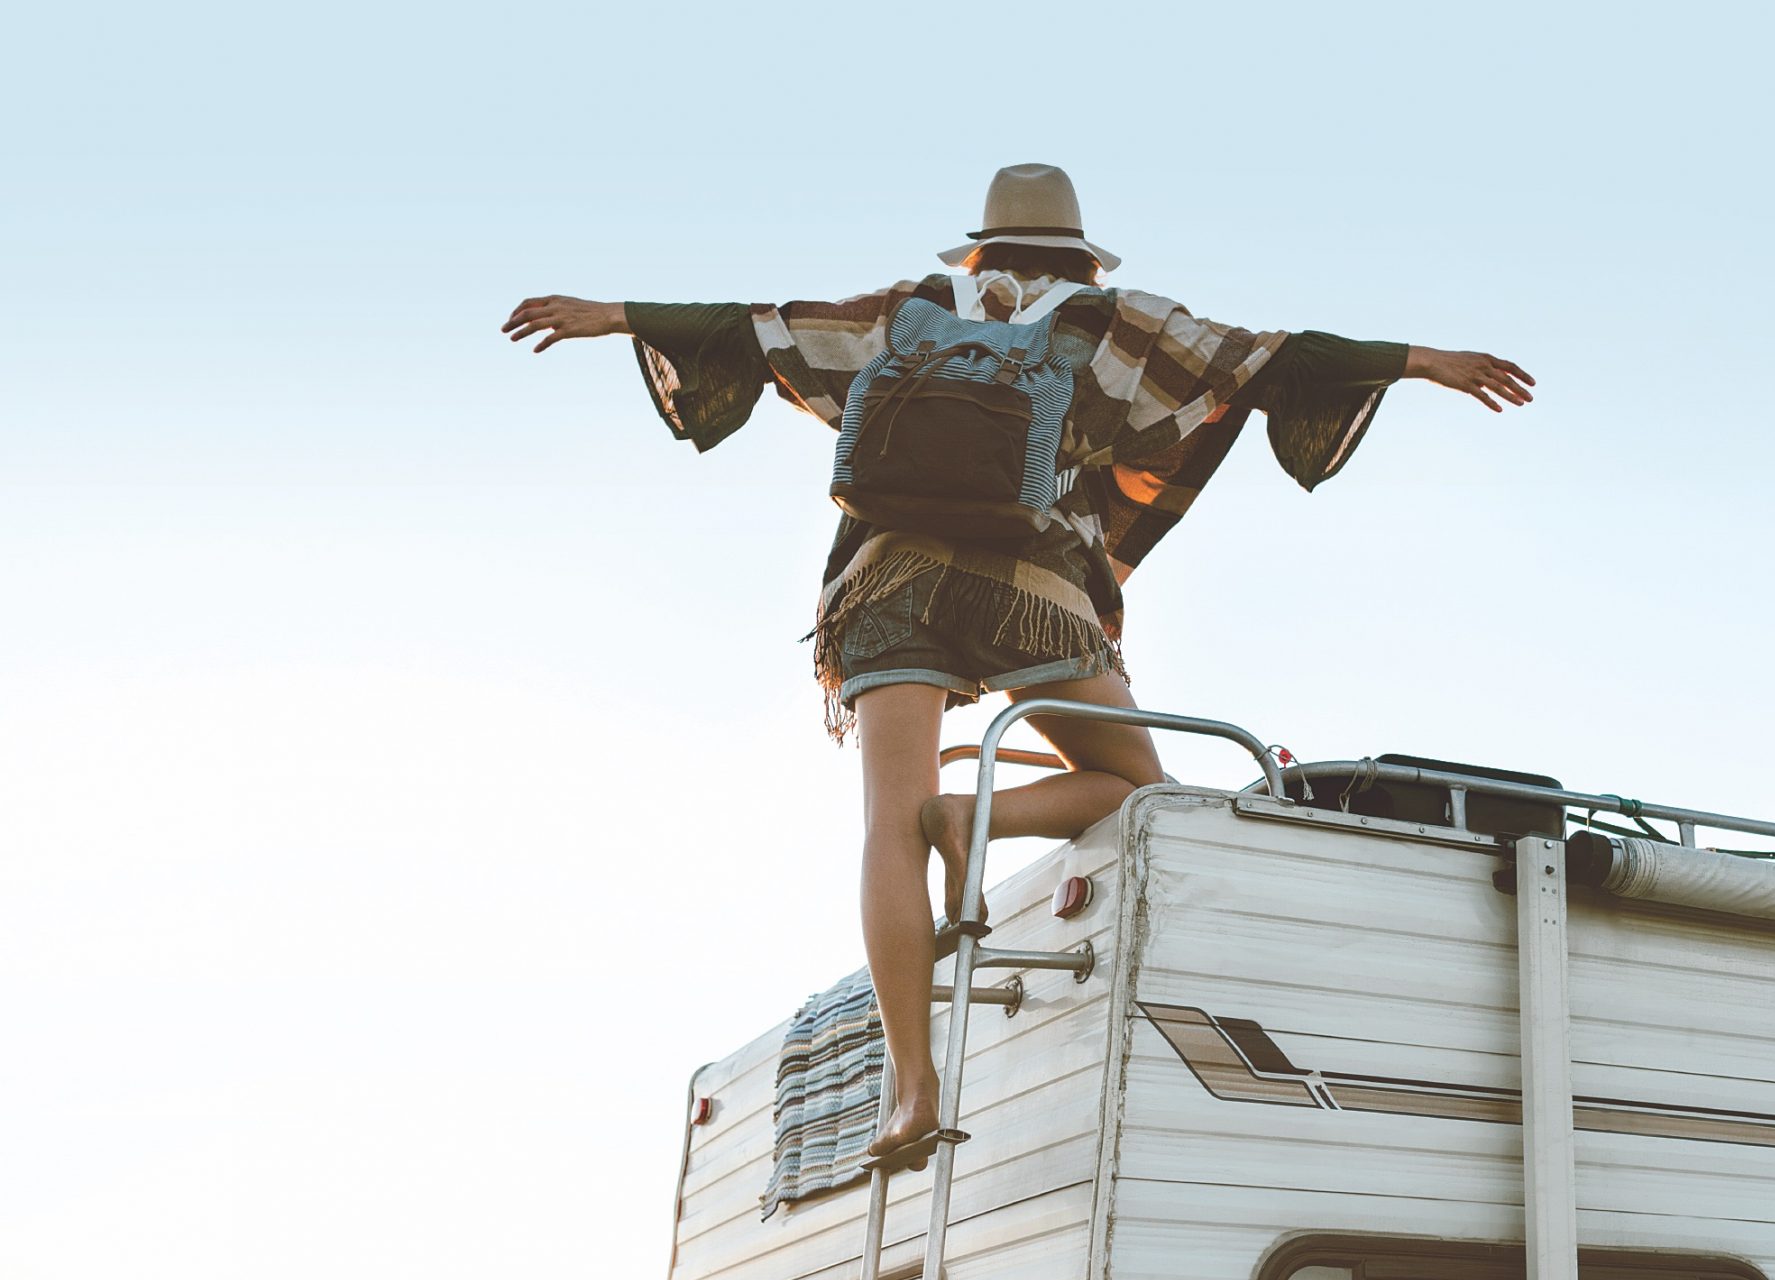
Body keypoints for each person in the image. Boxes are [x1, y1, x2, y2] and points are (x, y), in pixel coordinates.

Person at [505, 163, 1532, 1164]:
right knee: (1140, 792)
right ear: (1078, 255)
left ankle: (912, 1087)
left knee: (883, 829)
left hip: (883, 584)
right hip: (1032, 591)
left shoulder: (905, 311)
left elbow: (758, 328)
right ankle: (972, 816)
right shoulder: (1119, 322)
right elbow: (1270, 360)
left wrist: (616, 314)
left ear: (984, 243)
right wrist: (1424, 361)